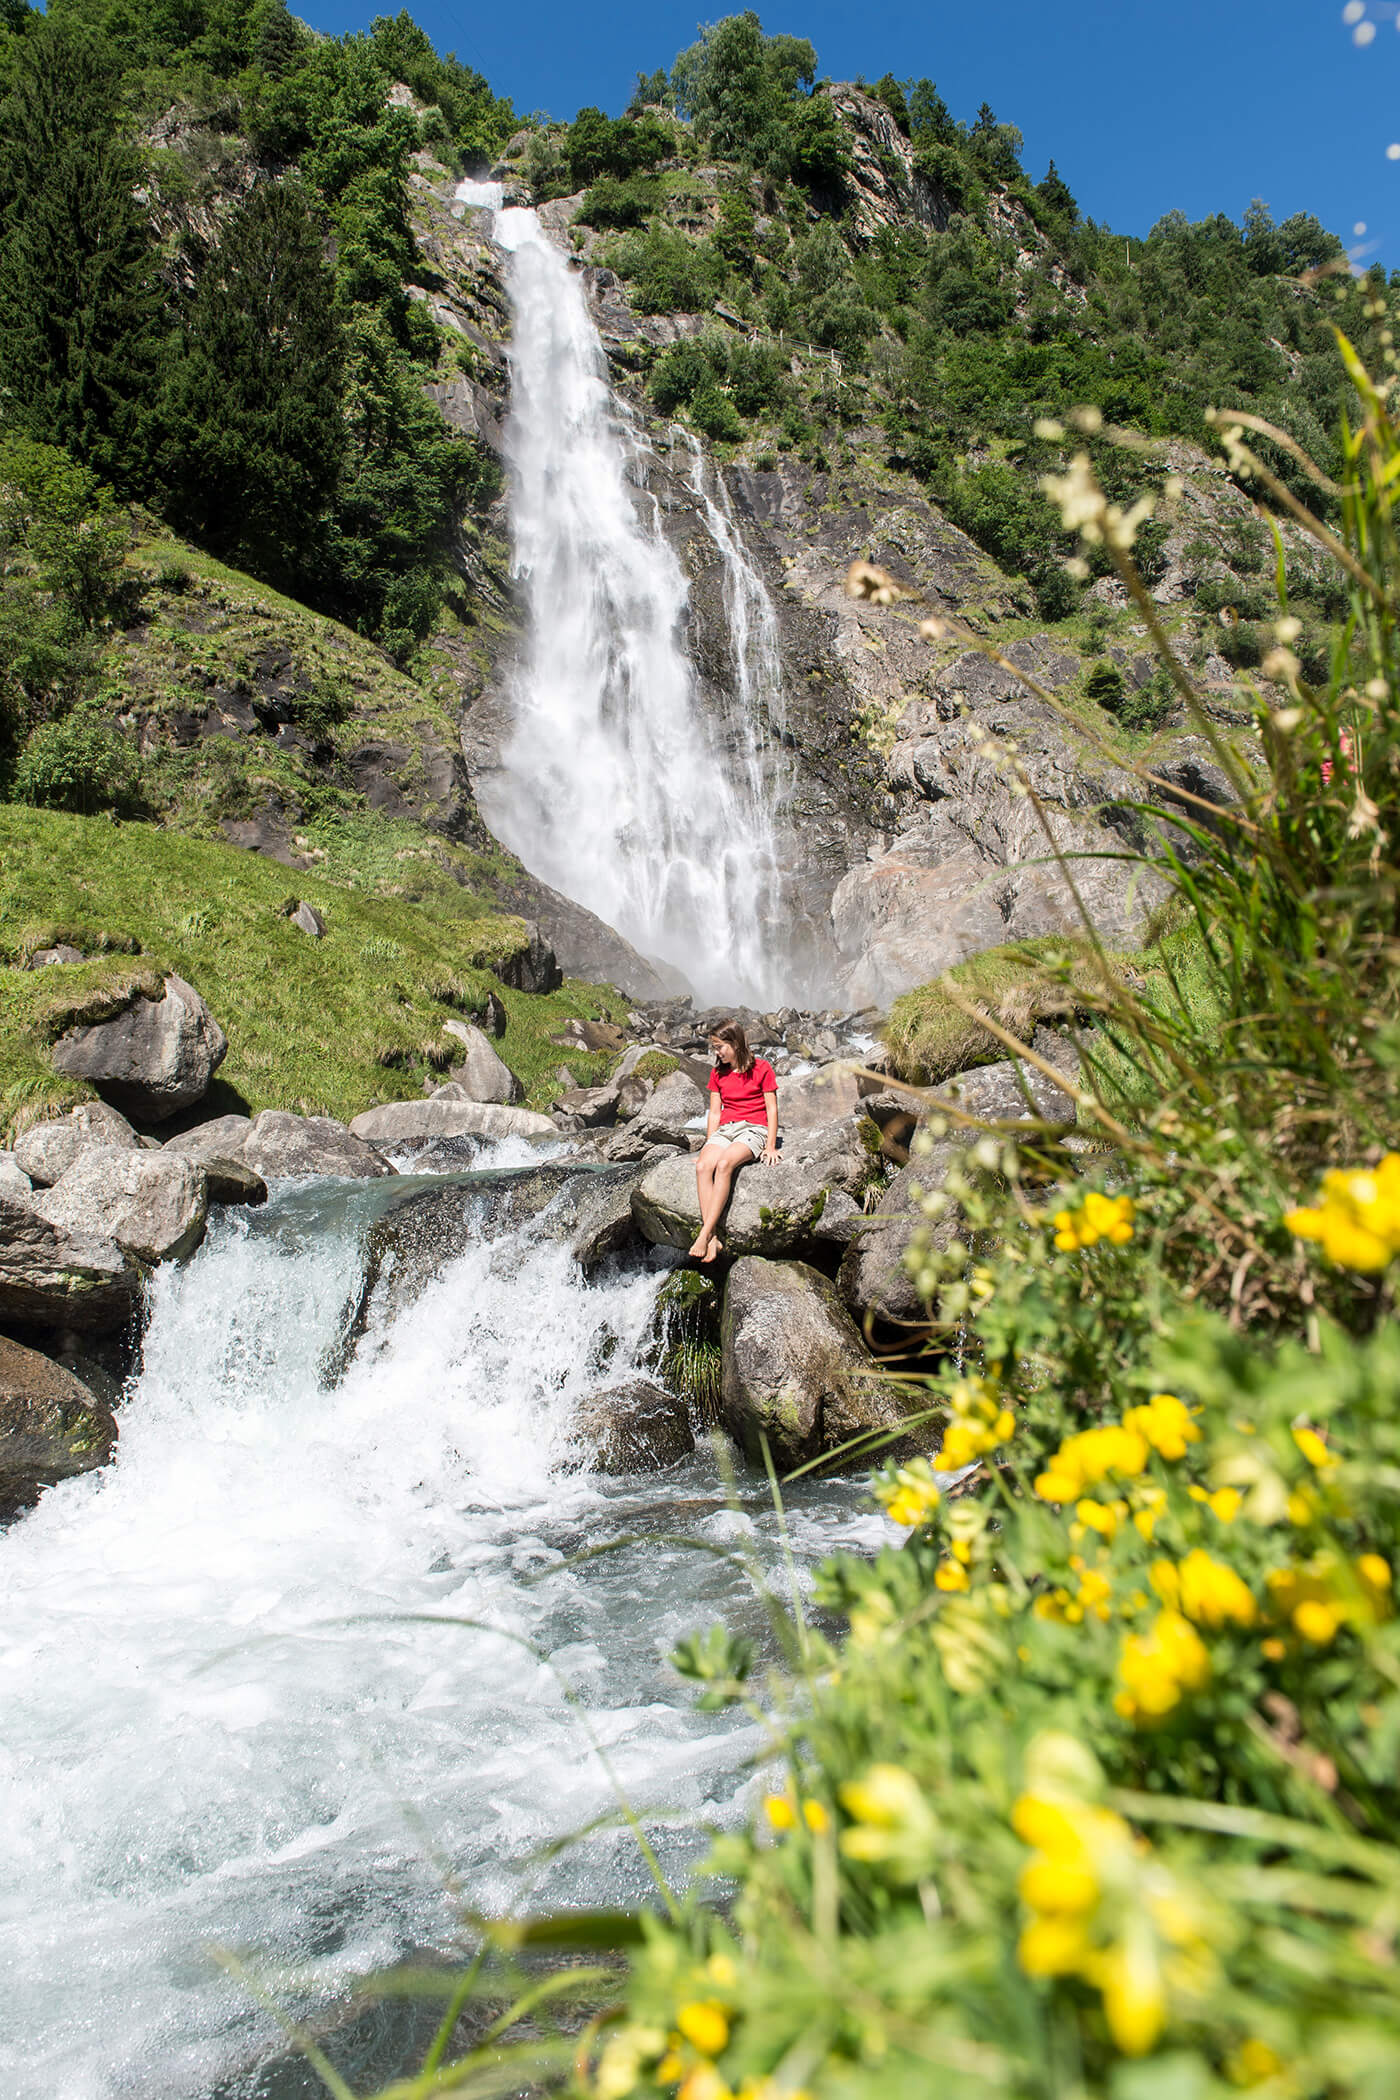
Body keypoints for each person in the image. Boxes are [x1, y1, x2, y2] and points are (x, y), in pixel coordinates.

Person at [689, 1019, 778, 1263]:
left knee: (724, 1164)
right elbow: (714, 1113)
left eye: (720, 1047)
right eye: (714, 1048)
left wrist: (770, 1145)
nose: (717, 1053)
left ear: (735, 1043)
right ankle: (713, 1239)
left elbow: (771, 1109)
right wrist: (708, 1146)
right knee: (703, 1166)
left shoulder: (762, 1068)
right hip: (726, 1129)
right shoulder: (718, 1073)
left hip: (754, 1128)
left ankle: (705, 1234)